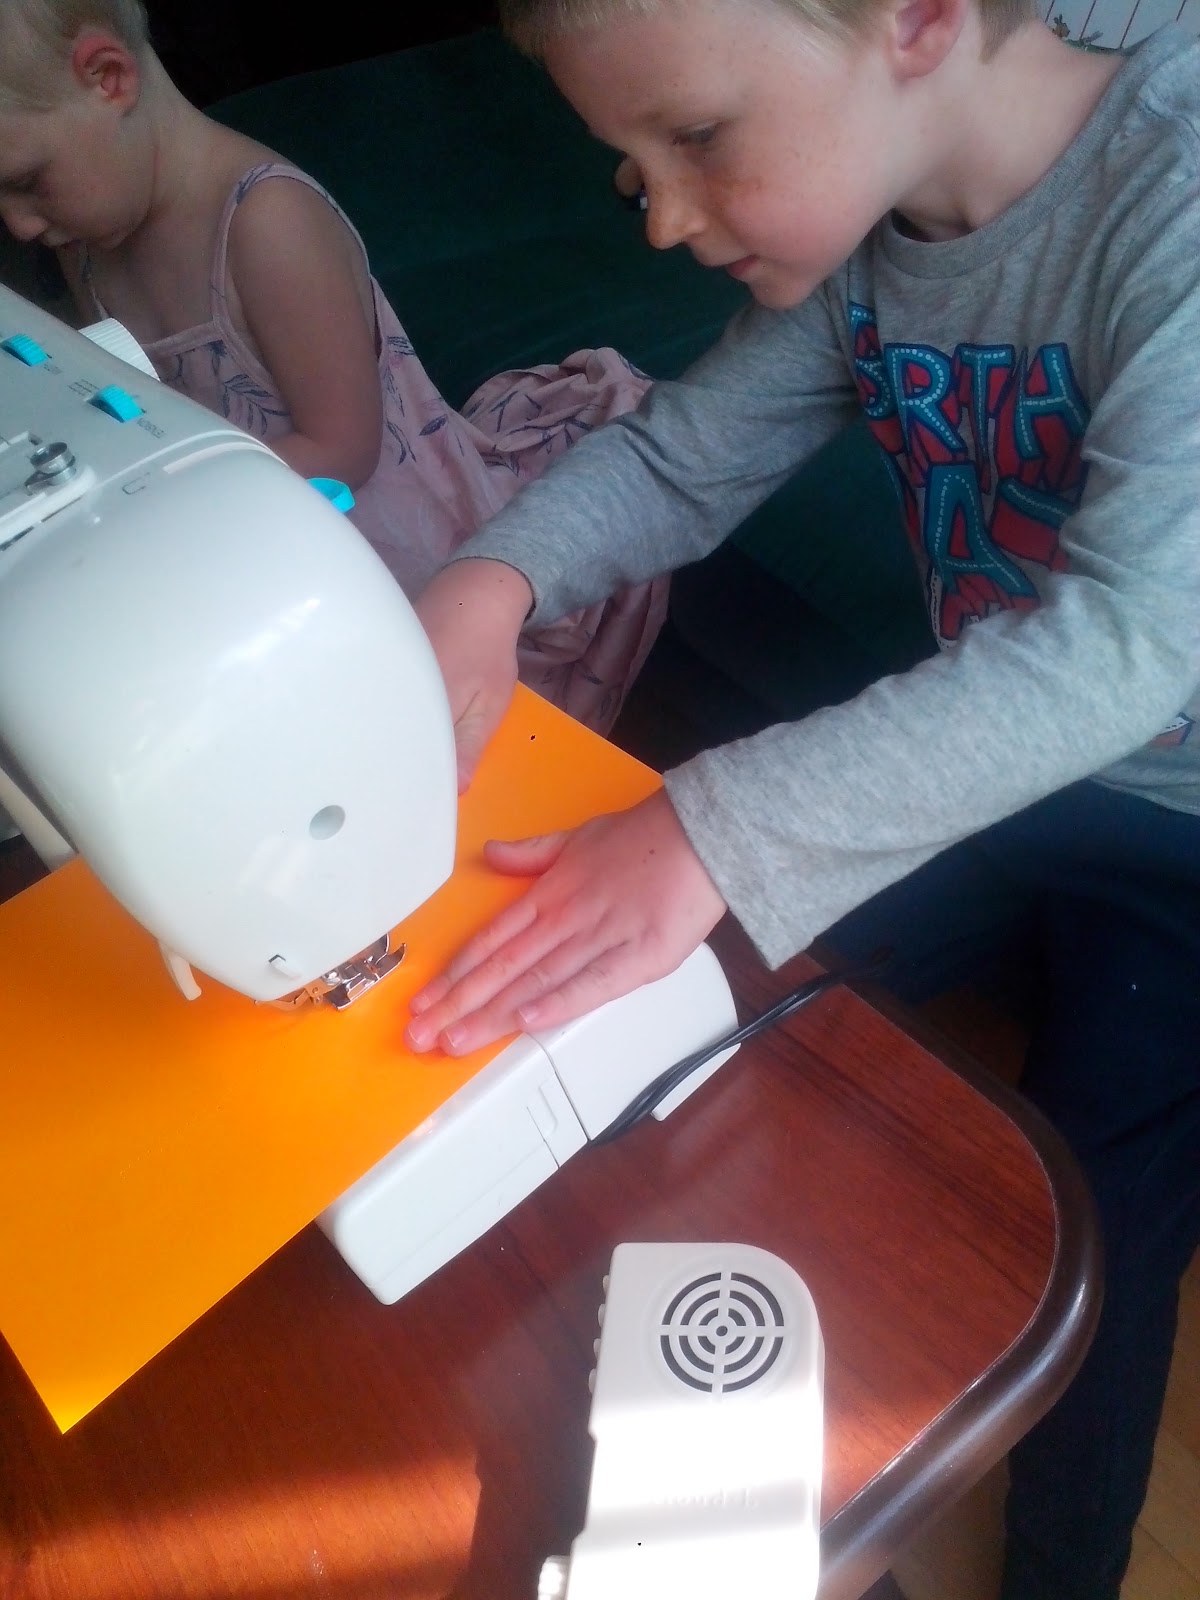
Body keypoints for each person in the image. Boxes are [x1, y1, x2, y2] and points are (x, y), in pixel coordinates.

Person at [402, 1, 1200, 1596]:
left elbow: (1132, 645)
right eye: (631, 166)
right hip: (1003, 759)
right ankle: (786, 1503)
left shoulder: (1172, 196)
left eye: (697, 137)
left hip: (1183, 829)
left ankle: (1070, 1570)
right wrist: (490, 580)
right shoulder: (879, 228)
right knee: (708, 1014)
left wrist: (704, 824)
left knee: (1092, 1220)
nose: (663, 215)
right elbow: (680, 459)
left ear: (920, 18)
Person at [0, 0, 667, 732]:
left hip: (385, 552)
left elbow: (343, 449)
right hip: (240, 534)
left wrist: (152, 498)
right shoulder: (86, 238)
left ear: (109, 77)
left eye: (27, 181)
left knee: (424, 726)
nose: (18, 224)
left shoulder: (266, 223)